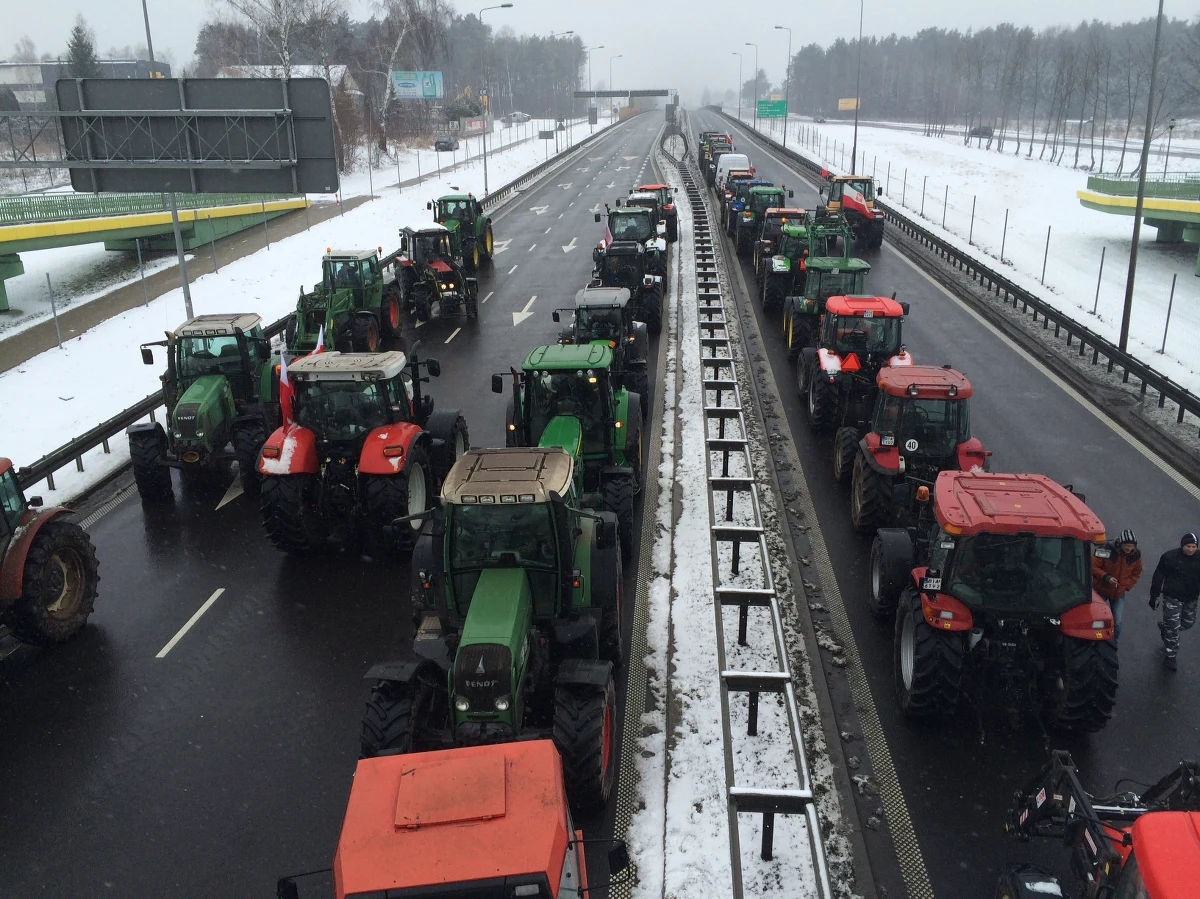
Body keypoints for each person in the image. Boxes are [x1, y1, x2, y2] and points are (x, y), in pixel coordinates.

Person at [1149, 533, 1200, 670]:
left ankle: (1166, 628)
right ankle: (1171, 657)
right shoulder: (1170, 558)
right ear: (1182, 545)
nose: (1190, 549)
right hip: (1173, 597)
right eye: (1188, 546)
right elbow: (1158, 576)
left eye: (1193, 547)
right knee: (1173, 629)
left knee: (1188, 623)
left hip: (1191, 598)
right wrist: (1154, 596)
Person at [1091, 529, 1142, 644]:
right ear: (1120, 544)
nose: (1130, 549)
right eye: (1127, 545)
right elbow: (1093, 567)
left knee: (1117, 622)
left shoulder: (1136, 555)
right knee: (1095, 619)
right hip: (1100, 590)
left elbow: (1136, 573)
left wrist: (1126, 586)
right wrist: (1106, 577)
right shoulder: (1105, 550)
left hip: (1119, 594)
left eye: (1132, 546)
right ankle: (1093, 641)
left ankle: (1114, 643)